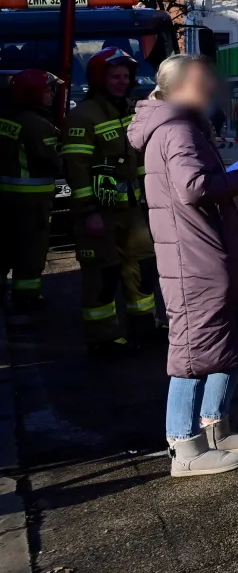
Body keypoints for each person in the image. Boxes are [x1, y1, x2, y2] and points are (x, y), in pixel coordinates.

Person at [128, 55, 238, 477]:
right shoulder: (176, 129)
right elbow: (195, 187)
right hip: (195, 255)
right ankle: (184, 448)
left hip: (204, 250)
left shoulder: (181, 125)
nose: (211, 88)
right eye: (203, 81)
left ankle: (215, 429)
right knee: (194, 347)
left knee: (223, 339)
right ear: (179, 87)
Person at [61, 47, 158, 352]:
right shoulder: (82, 117)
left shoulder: (131, 111)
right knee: (103, 276)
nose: (121, 80)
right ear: (99, 79)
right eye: (115, 76)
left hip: (132, 209)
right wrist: (89, 211)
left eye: (126, 76)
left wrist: (149, 199)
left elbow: (140, 161)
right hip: (100, 210)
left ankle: (144, 325)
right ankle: (103, 338)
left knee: (143, 269)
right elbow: (76, 170)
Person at [0, 70, 64, 320]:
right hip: (32, 200)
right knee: (31, 249)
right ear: (33, 93)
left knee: (4, 246)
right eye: (48, 90)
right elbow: (54, 163)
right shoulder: (39, 126)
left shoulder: (6, 119)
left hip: (5, 196)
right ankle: (27, 297)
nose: (51, 95)